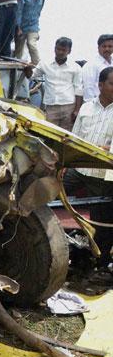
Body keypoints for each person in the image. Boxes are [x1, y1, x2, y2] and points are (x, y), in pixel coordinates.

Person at [64, 67, 113, 267]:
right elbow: (74, 138)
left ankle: (100, 262)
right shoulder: (86, 108)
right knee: (48, 192)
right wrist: (64, 164)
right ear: (100, 85)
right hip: (78, 169)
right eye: (112, 83)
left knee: (102, 221)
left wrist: (106, 148)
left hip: (102, 175)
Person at [31, 38, 82, 131]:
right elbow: (32, 75)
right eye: (58, 49)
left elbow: (78, 89)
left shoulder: (75, 67)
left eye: (64, 50)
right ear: (54, 49)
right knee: (49, 133)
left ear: (69, 51)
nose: (60, 52)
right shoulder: (45, 64)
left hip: (68, 106)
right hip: (51, 107)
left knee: (66, 135)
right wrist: (27, 69)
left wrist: (77, 110)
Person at [13, 0, 51, 65]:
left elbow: (38, 12)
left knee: (31, 44)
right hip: (22, 27)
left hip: (33, 27)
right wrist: (18, 28)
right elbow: (19, 12)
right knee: (18, 51)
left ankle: (37, 64)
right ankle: (17, 69)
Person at [82, 34, 113, 102]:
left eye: (110, 46)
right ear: (98, 48)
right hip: (98, 103)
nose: (107, 49)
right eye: (104, 46)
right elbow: (88, 87)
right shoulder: (91, 65)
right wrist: (91, 104)